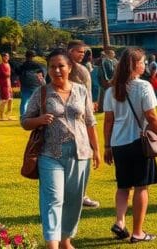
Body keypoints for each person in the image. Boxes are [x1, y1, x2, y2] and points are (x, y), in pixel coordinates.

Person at [22, 49, 100, 249]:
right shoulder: (42, 92)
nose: (56, 70)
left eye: (61, 66)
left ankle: (66, 240)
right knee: (53, 199)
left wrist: (97, 150)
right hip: (50, 153)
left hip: (80, 153)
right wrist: (39, 120)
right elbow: (25, 121)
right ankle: (52, 244)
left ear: (70, 67)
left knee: (74, 200)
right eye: (52, 67)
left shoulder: (81, 90)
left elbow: (90, 122)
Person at [103, 48, 157, 243]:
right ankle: (138, 232)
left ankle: (120, 221)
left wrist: (107, 146)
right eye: (143, 62)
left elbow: (108, 121)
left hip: (118, 143)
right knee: (141, 187)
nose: (145, 65)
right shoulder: (143, 86)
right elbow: (151, 116)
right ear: (134, 65)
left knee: (123, 186)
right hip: (138, 141)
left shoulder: (111, 89)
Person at [66, 40, 101, 209]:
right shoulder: (65, 68)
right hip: (69, 118)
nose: (82, 54)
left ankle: (81, 193)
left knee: (84, 156)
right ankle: (74, 195)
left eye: (83, 52)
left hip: (83, 115)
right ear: (70, 51)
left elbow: (87, 92)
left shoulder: (82, 69)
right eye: (79, 52)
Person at [18, 51, 47, 116]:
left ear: (25, 57)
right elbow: (42, 76)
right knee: (37, 102)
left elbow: (18, 74)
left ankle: (23, 117)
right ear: (33, 57)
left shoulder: (22, 66)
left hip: (25, 86)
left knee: (24, 102)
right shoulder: (38, 66)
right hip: (35, 86)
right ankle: (37, 115)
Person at [0, 52, 14, 120]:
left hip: (9, 84)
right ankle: (1, 116)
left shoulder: (8, 64)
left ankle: (8, 115)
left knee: (11, 100)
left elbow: (9, 75)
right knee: (4, 100)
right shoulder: (0, 65)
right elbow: (5, 74)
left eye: (8, 56)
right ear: (2, 57)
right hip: (3, 84)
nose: (7, 58)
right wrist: (8, 74)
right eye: (6, 56)